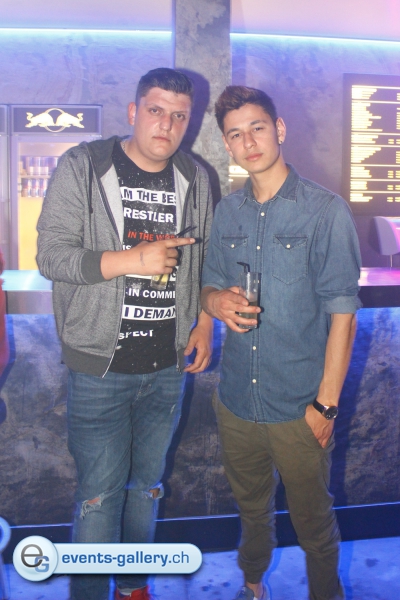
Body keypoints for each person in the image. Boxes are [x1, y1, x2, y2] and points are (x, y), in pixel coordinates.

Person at [37, 68, 213, 600]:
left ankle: (133, 586)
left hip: (167, 366)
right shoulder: (84, 165)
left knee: (147, 489)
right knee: (99, 496)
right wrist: (132, 260)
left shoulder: (195, 177)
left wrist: (204, 323)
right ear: (134, 112)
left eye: (179, 115)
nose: (167, 124)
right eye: (156, 110)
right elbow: (51, 255)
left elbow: (205, 260)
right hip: (99, 364)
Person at [201, 86, 361, 600]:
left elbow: (343, 316)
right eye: (235, 134)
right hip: (237, 403)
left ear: (280, 129)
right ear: (226, 143)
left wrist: (326, 405)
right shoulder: (227, 213)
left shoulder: (325, 211)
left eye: (257, 128)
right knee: (251, 511)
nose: (248, 142)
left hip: (300, 407)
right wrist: (214, 302)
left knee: (314, 524)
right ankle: (252, 587)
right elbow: (207, 285)